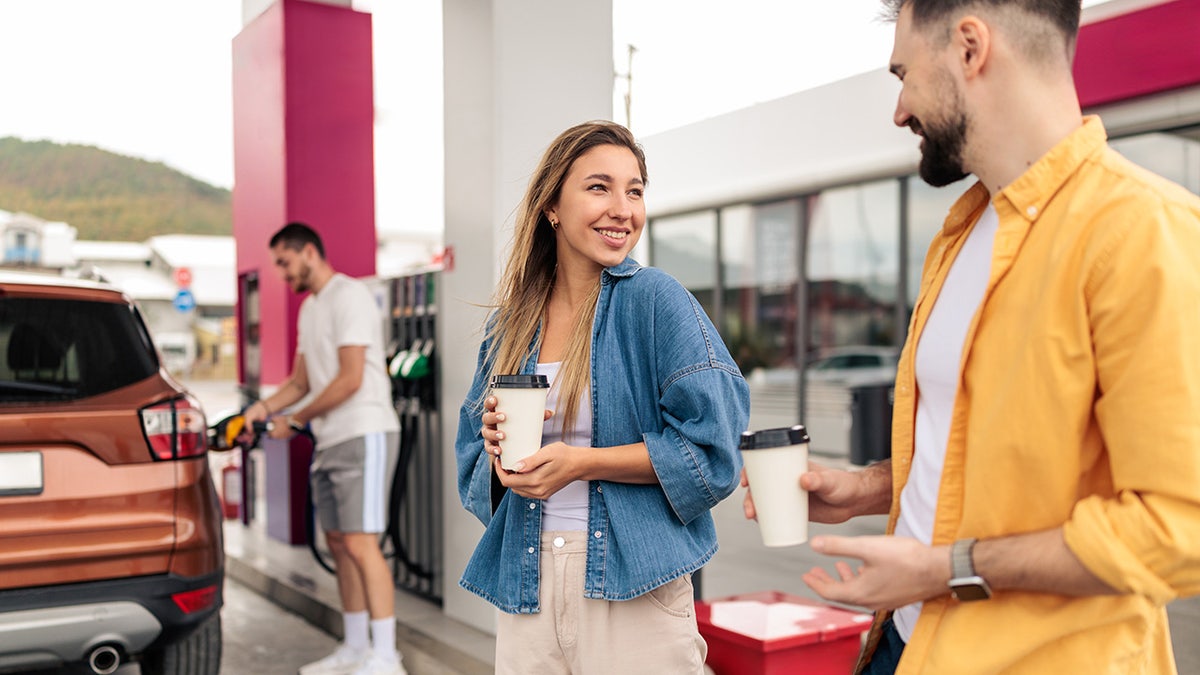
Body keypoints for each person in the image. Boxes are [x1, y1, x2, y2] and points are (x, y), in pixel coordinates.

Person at [744, 1, 1200, 673]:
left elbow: (1179, 528)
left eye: (904, 72)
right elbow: (987, 455)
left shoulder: (1144, 231)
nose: (899, 109)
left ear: (969, 47)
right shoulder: (958, 235)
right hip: (904, 642)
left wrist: (943, 569)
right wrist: (869, 487)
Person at [455, 121, 750, 674]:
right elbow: (470, 462)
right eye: (599, 187)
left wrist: (581, 464)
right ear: (552, 207)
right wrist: (496, 459)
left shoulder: (657, 302)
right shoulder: (511, 325)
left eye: (634, 190)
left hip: (633, 587)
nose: (623, 208)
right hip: (526, 584)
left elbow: (714, 451)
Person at [243, 222, 406, 675]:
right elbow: (300, 380)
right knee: (337, 543)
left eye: (284, 262)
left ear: (309, 252)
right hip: (331, 437)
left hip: (364, 431)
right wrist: (261, 408)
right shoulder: (311, 308)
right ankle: (355, 648)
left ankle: (387, 657)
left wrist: (295, 420)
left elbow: (351, 378)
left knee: (361, 543)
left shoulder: (349, 296)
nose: (281, 273)